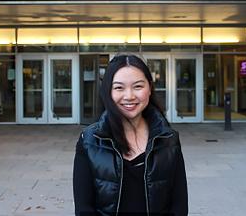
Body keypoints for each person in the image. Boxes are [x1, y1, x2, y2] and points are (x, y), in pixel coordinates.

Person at [73, 54, 188, 216]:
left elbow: (179, 207)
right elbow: (84, 209)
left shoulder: (168, 139)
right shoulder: (89, 141)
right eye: (119, 87)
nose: (129, 96)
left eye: (138, 86)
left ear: (150, 88)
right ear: (108, 92)